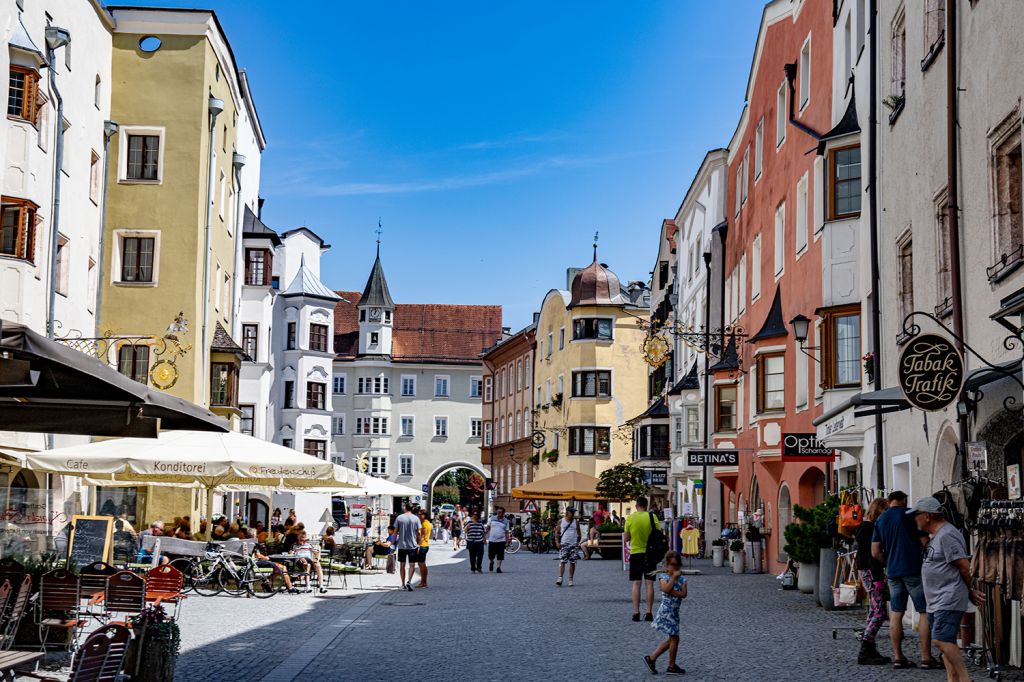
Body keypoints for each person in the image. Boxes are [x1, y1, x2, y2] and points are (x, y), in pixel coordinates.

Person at [910, 496, 985, 682]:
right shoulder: (936, 536)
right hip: (936, 598)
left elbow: (964, 566)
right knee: (947, 642)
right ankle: (952, 679)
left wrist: (970, 590)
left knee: (940, 640)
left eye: (916, 515)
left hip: (948, 596)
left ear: (927, 516)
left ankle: (965, 679)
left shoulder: (947, 535)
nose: (914, 519)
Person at [872, 490, 940, 669]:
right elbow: (925, 541)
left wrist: (889, 561)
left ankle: (898, 657)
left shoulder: (881, 519)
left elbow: (875, 552)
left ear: (890, 501)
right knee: (924, 611)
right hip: (914, 569)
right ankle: (926, 658)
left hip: (893, 572)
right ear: (903, 500)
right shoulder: (911, 515)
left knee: (896, 612)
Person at [855, 498, 891, 666]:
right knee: (879, 612)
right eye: (885, 511)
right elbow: (872, 557)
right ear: (879, 511)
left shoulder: (864, 527)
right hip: (871, 573)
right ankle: (866, 647)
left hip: (866, 571)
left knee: (874, 611)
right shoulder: (870, 529)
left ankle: (870, 648)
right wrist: (877, 578)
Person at [642, 551, 688, 676]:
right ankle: (671, 666)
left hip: (674, 613)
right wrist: (673, 579)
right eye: (673, 565)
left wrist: (672, 590)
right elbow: (666, 589)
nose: (675, 567)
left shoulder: (683, 579)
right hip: (666, 612)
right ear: (666, 565)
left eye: (677, 565)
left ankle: (651, 658)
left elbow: (684, 594)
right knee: (674, 638)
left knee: (673, 639)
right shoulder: (664, 577)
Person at [625, 496, 660, 622]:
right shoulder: (652, 517)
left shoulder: (630, 518)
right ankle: (649, 612)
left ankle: (636, 612)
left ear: (636, 506)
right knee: (649, 583)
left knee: (636, 583)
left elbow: (626, 538)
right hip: (650, 554)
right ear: (647, 506)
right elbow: (658, 535)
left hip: (635, 553)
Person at [395, 504, 422, 591]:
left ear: (405, 508)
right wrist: (419, 543)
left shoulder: (399, 518)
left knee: (402, 565)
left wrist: (392, 543)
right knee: (412, 565)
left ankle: (402, 584)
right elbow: (419, 533)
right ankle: (409, 581)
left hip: (402, 545)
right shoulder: (416, 518)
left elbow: (395, 532)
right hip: (412, 545)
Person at [555, 507, 582, 587]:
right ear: (567, 512)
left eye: (573, 513)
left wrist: (577, 542)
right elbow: (557, 533)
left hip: (573, 545)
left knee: (572, 562)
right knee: (562, 561)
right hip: (564, 544)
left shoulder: (576, 522)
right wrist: (557, 542)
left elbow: (579, 533)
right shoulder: (561, 521)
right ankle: (560, 578)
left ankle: (570, 579)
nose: (573, 514)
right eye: (571, 512)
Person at [485, 507, 511, 573]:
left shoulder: (506, 521)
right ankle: (491, 562)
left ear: (503, 513)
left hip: (501, 540)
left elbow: (506, 532)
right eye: (498, 512)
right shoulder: (491, 519)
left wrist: (507, 541)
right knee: (491, 555)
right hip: (492, 540)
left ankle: (498, 567)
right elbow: (487, 528)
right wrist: (484, 536)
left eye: (500, 512)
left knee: (500, 554)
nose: (499, 513)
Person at [416, 509, 432, 588]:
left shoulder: (425, 524)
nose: (419, 516)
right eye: (418, 514)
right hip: (424, 545)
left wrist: (418, 545)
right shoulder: (426, 523)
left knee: (421, 564)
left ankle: (423, 582)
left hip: (423, 545)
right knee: (422, 564)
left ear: (424, 515)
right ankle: (423, 581)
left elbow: (423, 536)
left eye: (420, 514)